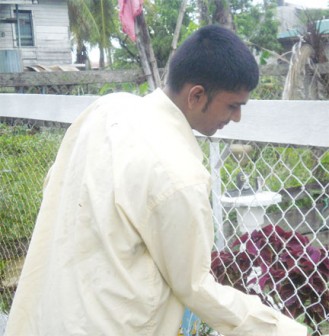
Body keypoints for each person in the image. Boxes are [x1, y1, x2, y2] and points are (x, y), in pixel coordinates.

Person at [5, 25, 308, 336]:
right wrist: (287, 331)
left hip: (48, 313)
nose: (236, 118)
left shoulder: (106, 110)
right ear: (197, 95)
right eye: (233, 105)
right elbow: (195, 286)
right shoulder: (178, 174)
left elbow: (54, 185)